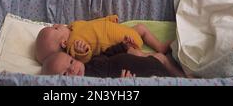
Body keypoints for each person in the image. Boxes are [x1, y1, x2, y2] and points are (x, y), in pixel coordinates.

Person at [35, 14, 171, 64]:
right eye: (55, 28)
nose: (56, 25)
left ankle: (159, 46)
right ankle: (156, 56)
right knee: (134, 53)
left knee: (141, 28)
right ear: (64, 43)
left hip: (121, 31)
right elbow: (84, 59)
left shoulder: (74, 26)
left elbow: (93, 23)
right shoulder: (73, 45)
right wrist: (81, 51)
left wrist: (107, 19)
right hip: (122, 45)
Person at [41, 39, 185, 78]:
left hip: (150, 63)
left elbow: (107, 54)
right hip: (144, 77)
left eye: (71, 62)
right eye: (66, 74)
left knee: (161, 57)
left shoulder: (91, 62)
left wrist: (122, 46)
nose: (73, 68)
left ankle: (188, 79)